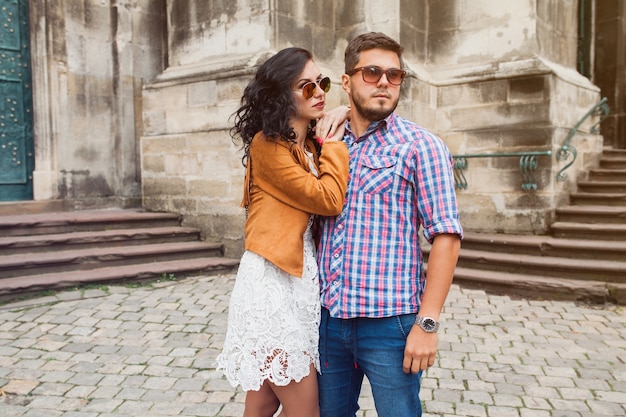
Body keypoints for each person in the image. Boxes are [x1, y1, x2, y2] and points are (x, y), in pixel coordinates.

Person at [316, 32, 464, 417]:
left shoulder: (421, 146)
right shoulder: (327, 141)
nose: (384, 81)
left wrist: (427, 324)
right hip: (328, 320)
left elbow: (446, 236)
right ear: (347, 81)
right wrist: (333, 114)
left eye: (394, 75)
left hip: (390, 326)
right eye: (372, 72)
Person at [215, 47, 350, 417]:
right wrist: (335, 145)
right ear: (281, 95)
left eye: (322, 83)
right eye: (306, 87)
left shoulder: (307, 147)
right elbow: (328, 198)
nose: (320, 92)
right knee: (306, 409)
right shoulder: (268, 146)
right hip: (270, 284)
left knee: (263, 402)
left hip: (301, 284)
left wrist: (339, 119)